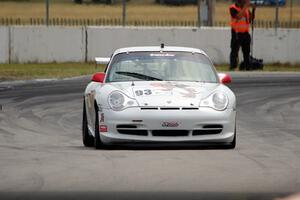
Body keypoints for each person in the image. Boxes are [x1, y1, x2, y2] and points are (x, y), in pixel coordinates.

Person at [229, 0, 255, 71]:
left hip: (245, 33)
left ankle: (247, 66)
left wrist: (253, 10)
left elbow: (250, 20)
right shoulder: (233, 8)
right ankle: (233, 66)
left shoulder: (246, 9)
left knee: (246, 51)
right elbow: (238, 17)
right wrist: (246, 7)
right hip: (236, 33)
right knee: (234, 51)